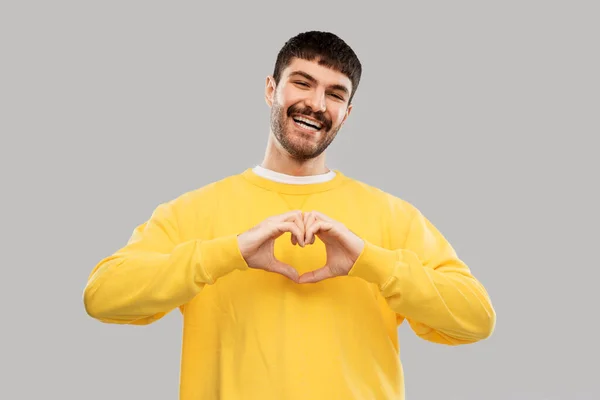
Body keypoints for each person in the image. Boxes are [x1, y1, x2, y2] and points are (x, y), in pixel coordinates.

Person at [83, 30, 496, 400]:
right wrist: (229, 253)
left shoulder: (394, 216)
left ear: (348, 113)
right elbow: (103, 296)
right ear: (270, 89)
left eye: (335, 94)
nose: (316, 104)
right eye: (302, 83)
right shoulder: (192, 211)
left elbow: (476, 318)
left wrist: (369, 261)